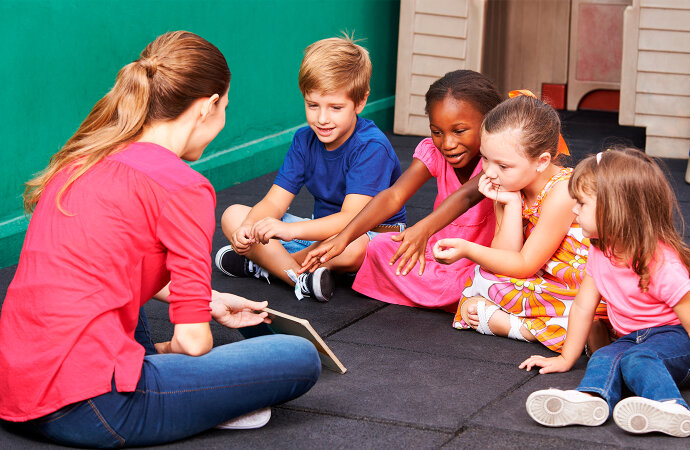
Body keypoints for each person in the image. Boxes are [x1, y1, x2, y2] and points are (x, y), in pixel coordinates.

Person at [0, 31, 321, 448]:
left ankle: (167, 381)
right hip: (92, 410)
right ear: (207, 107)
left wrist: (209, 300)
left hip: (14, 391)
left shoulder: (83, 161)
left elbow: (110, 268)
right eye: (225, 107)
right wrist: (182, 350)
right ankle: (198, 403)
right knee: (296, 358)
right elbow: (193, 342)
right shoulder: (184, 186)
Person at [519, 148, 690, 437]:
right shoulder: (600, 249)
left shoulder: (661, 264)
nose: (574, 210)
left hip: (680, 339)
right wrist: (566, 359)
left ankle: (671, 407)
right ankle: (593, 400)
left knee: (637, 360)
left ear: (614, 209)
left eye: (581, 203)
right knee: (604, 356)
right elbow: (583, 306)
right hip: (633, 338)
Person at [215, 35, 406, 302]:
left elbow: (351, 220)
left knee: (352, 246)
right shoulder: (304, 140)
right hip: (316, 234)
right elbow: (273, 202)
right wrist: (247, 230)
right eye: (312, 105)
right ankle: (299, 276)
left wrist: (288, 232)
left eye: (336, 108)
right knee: (233, 214)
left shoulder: (372, 146)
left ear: (360, 102)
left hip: (367, 236)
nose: (322, 119)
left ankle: (269, 266)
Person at [300, 70, 502, 311]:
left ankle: (461, 293)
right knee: (379, 247)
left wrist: (422, 229)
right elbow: (394, 195)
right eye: (437, 132)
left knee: (493, 279)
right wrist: (344, 238)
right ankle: (457, 296)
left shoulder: (498, 161)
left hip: (483, 260)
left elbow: (468, 196)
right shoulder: (434, 152)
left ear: (489, 122)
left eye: (459, 131)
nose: (447, 143)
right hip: (440, 254)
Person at [431, 93, 610, 352]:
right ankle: (553, 328)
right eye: (485, 159)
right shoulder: (506, 184)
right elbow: (506, 257)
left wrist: (467, 249)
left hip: (580, 287)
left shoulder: (562, 191)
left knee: (478, 291)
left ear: (542, 162)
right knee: (482, 281)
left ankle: (526, 329)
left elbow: (524, 266)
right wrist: (511, 205)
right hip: (540, 279)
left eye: (503, 165)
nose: (490, 172)